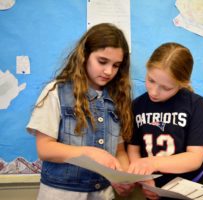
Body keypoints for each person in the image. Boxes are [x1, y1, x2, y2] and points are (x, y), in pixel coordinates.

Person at [26, 23, 134, 200]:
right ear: (84, 55)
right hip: (61, 193)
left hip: (103, 193)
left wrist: (122, 176)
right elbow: (44, 148)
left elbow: (120, 151)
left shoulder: (117, 99)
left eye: (116, 65)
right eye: (102, 61)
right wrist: (89, 153)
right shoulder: (56, 91)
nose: (109, 71)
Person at [127, 42, 203, 200]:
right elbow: (133, 151)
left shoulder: (196, 104)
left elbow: (194, 158)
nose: (154, 92)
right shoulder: (137, 105)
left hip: (194, 190)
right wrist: (144, 178)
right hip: (156, 191)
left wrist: (151, 163)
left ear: (182, 83)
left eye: (166, 88)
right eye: (151, 80)